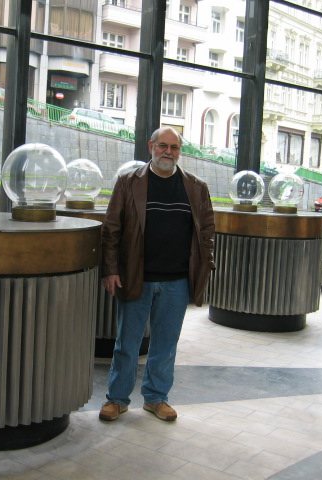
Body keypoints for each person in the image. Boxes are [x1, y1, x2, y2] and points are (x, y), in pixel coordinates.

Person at [99, 126, 215, 422]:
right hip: (136, 276)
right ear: (151, 147)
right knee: (127, 344)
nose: (168, 152)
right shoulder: (129, 182)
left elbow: (206, 232)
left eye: (174, 147)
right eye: (163, 146)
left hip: (177, 281)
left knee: (166, 344)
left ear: (179, 152)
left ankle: (156, 398)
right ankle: (117, 399)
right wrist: (110, 270)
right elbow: (111, 229)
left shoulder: (196, 187)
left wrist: (205, 267)